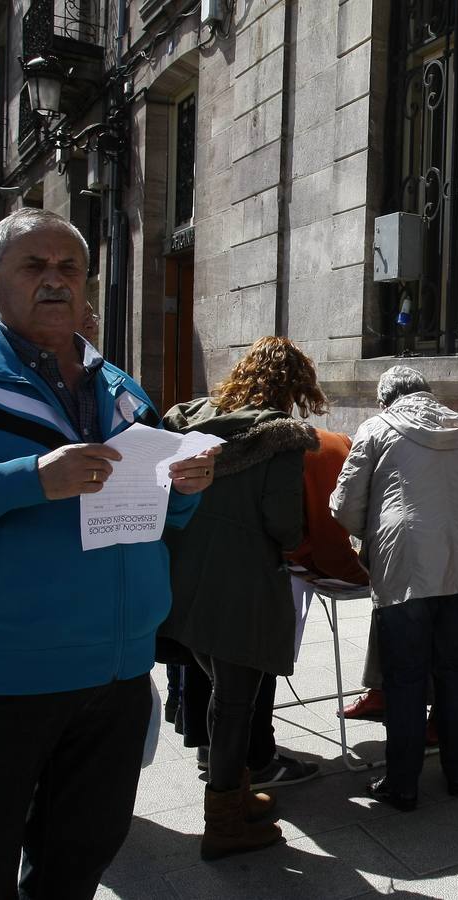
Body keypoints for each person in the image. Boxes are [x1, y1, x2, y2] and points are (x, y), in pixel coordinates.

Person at [0, 207, 216, 899]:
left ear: (87, 283)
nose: (55, 281)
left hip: (113, 677)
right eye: (34, 266)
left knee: (76, 865)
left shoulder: (123, 389)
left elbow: (160, 512)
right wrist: (29, 480)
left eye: (69, 268)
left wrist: (187, 487)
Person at [331, 365, 458, 811]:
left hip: (406, 566)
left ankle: (403, 783)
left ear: (386, 400)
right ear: (427, 394)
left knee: (404, 678)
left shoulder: (376, 427)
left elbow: (344, 504)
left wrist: (376, 534)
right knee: (457, 670)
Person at [161, 336, 324, 860]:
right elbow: (284, 525)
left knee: (220, 693)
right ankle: (224, 823)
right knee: (235, 703)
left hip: (186, 579)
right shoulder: (279, 438)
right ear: (292, 385)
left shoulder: (195, 417)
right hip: (242, 586)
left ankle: (231, 791)